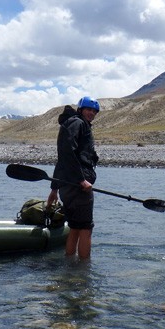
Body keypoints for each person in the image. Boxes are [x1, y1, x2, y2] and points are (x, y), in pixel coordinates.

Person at [47, 97, 100, 259]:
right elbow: (66, 153)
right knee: (85, 228)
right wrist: (81, 179)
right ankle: (83, 272)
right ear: (81, 109)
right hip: (78, 187)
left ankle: (70, 266)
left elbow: (62, 159)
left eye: (94, 111)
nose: (91, 113)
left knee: (75, 227)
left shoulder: (72, 123)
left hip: (68, 186)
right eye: (88, 109)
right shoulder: (77, 123)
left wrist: (54, 189)